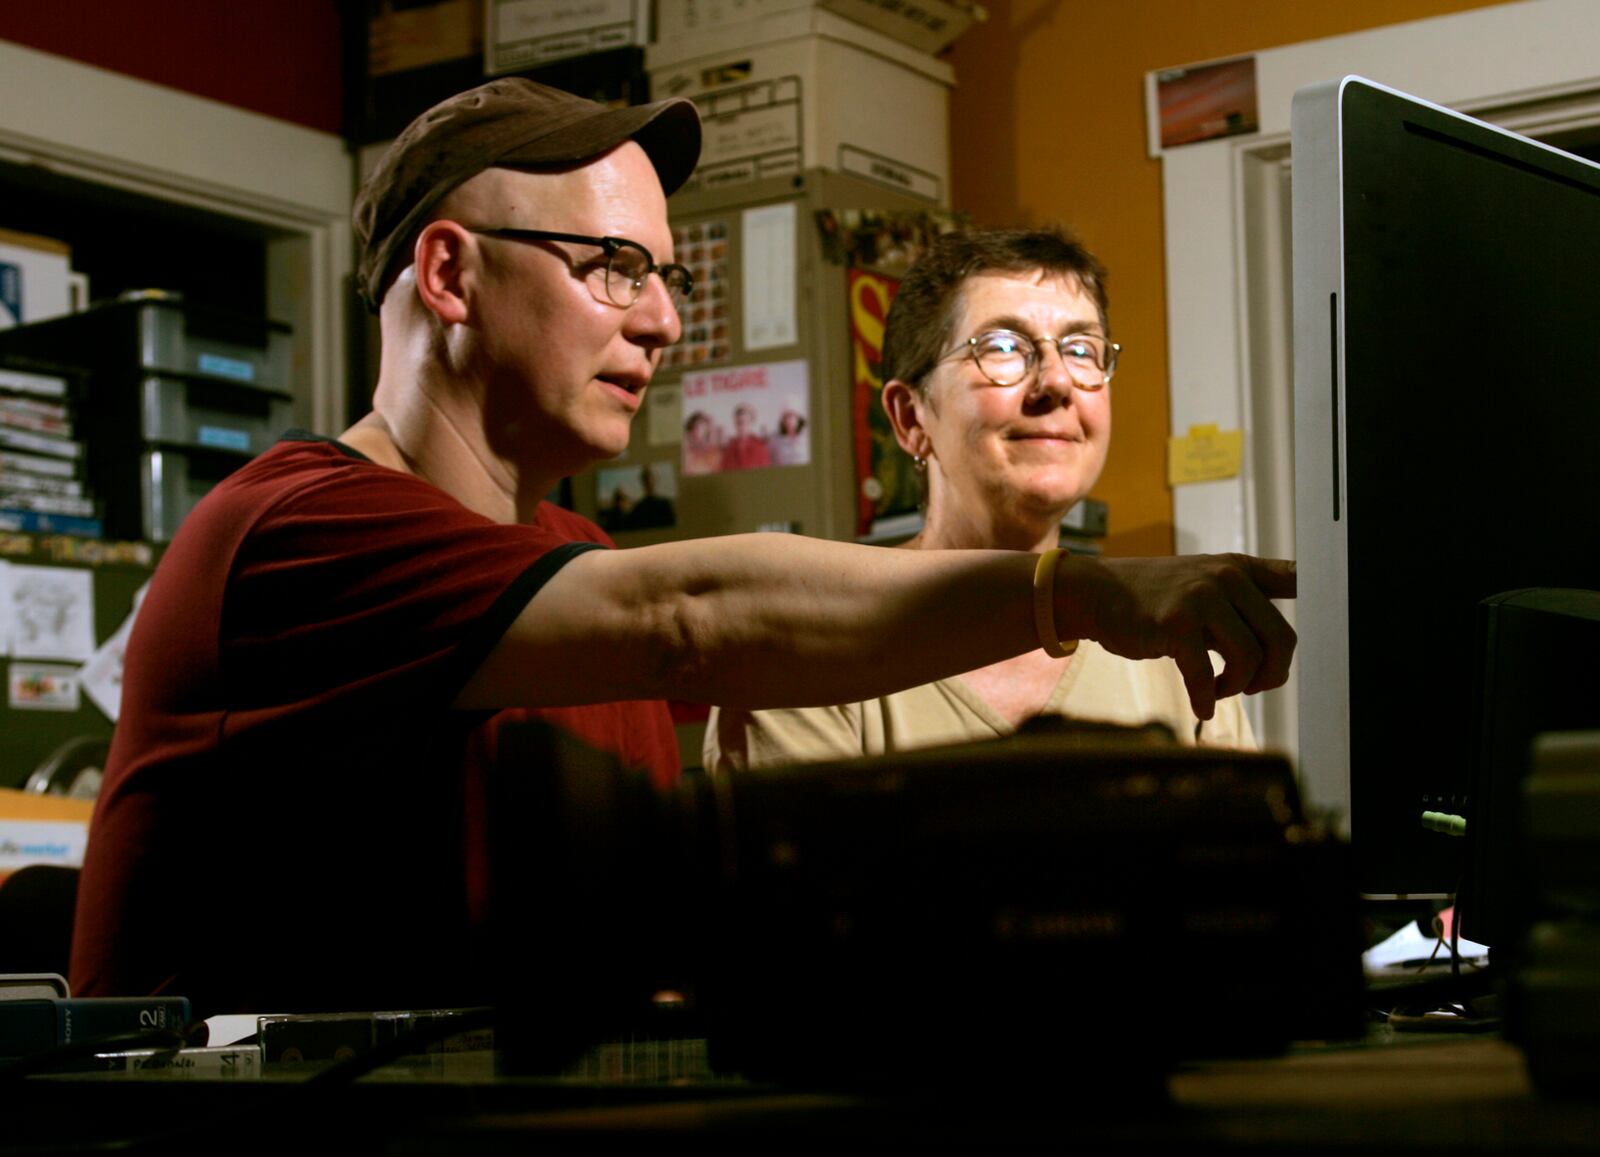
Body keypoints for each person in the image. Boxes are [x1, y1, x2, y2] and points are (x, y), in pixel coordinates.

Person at [70, 80, 1295, 1016]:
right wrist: (1079, 587)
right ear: (448, 271)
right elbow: (695, 615)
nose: (660, 319)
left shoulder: (570, 549)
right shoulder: (296, 529)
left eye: (662, 277)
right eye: (612, 268)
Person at [708, 229, 1256, 773]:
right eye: (1002, 347)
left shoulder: (1175, 649)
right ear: (910, 418)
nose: (1057, 381)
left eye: (1081, 349)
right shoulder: (803, 659)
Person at [718, 402, 771, 471]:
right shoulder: (729, 447)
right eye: (739, 422)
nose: (742, 426)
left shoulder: (760, 446)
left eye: (744, 422)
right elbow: (724, 471)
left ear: (751, 422)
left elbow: (765, 471)